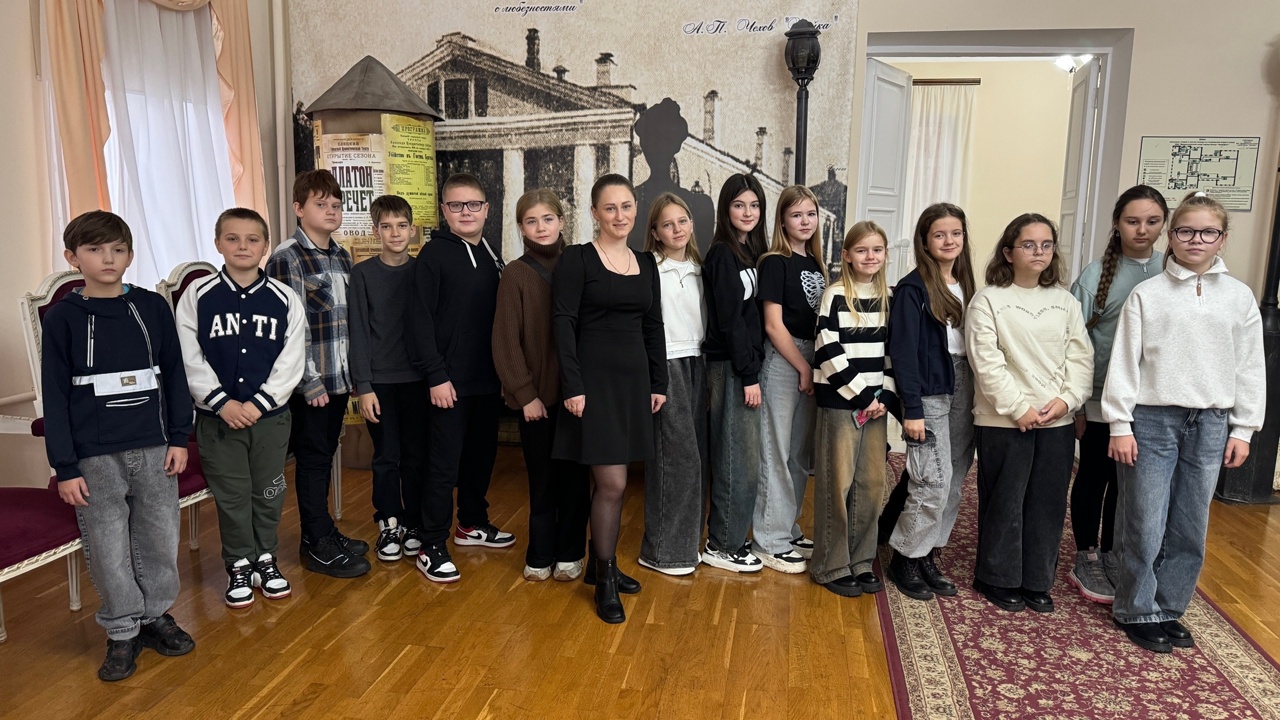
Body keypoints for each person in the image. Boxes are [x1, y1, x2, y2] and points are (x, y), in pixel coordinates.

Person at [1104, 191, 1264, 653]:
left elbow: (1250, 366)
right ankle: (1136, 607)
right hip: (1153, 420)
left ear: (1222, 239)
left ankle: (1169, 606)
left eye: (1208, 232)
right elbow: (1125, 361)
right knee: (1145, 518)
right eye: (1186, 231)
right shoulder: (1147, 295)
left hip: (1211, 422)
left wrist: (1243, 429)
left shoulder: (1238, 298)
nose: (1196, 239)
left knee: (1191, 522)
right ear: (1170, 237)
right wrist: (1119, 424)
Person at [43, 211, 196, 681]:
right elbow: (55, 394)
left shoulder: (152, 307)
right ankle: (123, 629)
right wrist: (65, 466)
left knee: (159, 535)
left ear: (130, 255)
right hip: (94, 454)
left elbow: (174, 374)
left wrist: (179, 437)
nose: (107, 259)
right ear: (73, 258)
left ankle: (155, 616)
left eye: (118, 249)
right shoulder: (64, 317)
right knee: (107, 542)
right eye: (94, 250)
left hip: (154, 446)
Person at [553, 173, 667, 623]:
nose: (620, 215)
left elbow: (653, 325)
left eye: (626, 206)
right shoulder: (577, 259)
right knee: (613, 484)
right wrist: (573, 386)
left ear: (635, 210)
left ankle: (602, 565)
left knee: (615, 482)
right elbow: (562, 323)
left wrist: (658, 382)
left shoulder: (646, 262)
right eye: (610, 208)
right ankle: (604, 577)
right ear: (595, 213)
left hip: (633, 383)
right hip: (592, 384)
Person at [177, 208, 305, 608]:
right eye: (233, 238)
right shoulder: (197, 296)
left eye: (253, 240)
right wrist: (221, 402)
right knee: (231, 495)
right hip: (218, 421)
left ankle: (266, 558)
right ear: (218, 243)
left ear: (265, 246)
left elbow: (291, 359)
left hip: (270, 420)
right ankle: (238, 563)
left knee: (268, 491)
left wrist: (260, 403)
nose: (243, 246)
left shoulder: (285, 299)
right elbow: (188, 355)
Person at [966, 213, 1093, 614]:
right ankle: (997, 577)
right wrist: (1017, 407)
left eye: (1046, 244)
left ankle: (1037, 580)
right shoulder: (988, 300)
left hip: (1056, 419)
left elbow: (1081, 358)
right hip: (1004, 420)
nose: (1039, 251)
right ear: (1008, 252)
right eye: (1028, 244)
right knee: (1006, 500)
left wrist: (1068, 401)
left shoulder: (1065, 301)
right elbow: (986, 361)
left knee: (1047, 502)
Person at [405, 172, 514, 584]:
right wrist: (436, 375)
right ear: (444, 211)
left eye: (473, 205)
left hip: (486, 380)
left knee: (480, 458)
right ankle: (431, 543)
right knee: (442, 465)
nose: (465, 212)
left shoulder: (490, 252)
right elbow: (418, 321)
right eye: (456, 205)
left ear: (486, 209)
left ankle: (470, 523)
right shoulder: (433, 255)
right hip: (447, 383)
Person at [266, 169, 371, 578]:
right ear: (299, 208)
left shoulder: (342, 255)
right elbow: (290, 330)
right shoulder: (287, 257)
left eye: (336, 205)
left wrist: (355, 376)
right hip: (311, 385)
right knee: (311, 461)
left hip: (338, 379)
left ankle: (325, 530)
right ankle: (314, 543)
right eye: (320, 204)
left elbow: (349, 323)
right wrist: (309, 382)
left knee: (325, 456)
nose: (331, 211)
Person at [1067, 185, 1168, 604]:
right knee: (1096, 474)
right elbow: (1073, 343)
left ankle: (1113, 553)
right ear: (1116, 224)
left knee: (1129, 485)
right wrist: (1078, 404)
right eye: (1132, 221)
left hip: (1153, 400)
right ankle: (1087, 555)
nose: (1142, 230)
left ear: (1164, 225)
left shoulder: (1172, 270)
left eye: (1152, 221)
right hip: (1101, 398)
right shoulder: (1094, 278)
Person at [492, 189, 590, 582]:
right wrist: (526, 395)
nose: (541, 227)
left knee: (575, 480)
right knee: (542, 479)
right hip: (537, 400)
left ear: (561, 221)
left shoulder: (579, 264)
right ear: (521, 227)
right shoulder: (516, 273)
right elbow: (505, 341)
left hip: (577, 395)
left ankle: (571, 553)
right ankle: (540, 553)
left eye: (548, 219)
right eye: (531, 221)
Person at [885, 203, 977, 602]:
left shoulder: (967, 284)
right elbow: (903, 351)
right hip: (930, 388)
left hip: (965, 384)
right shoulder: (913, 288)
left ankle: (927, 554)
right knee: (931, 479)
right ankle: (904, 556)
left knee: (954, 477)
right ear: (925, 241)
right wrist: (912, 408)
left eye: (955, 233)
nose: (949, 241)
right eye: (939, 234)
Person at [811, 221, 899, 597]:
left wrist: (885, 398)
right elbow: (827, 350)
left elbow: (893, 353)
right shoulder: (835, 295)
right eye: (862, 250)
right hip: (842, 402)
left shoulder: (888, 298)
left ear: (885, 255)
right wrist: (864, 396)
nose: (870, 257)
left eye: (877, 250)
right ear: (847, 256)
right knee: (838, 482)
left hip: (876, 406)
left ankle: (861, 560)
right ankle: (831, 564)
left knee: (871, 484)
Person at [350, 195, 429, 563]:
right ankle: (389, 522)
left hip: (418, 380)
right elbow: (358, 332)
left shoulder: (422, 271)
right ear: (375, 231)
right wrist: (363, 386)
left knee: (416, 455)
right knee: (386, 455)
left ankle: (413, 522)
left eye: (401, 226)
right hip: (379, 382)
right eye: (386, 226)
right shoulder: (363, 274)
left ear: (412, 230)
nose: (395, 233)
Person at [754, 185, 828, 574]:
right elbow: (773, 324)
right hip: (785, 360)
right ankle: (769, 540)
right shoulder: (774, 262)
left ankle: (788, 528)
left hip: (813, 357)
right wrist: (802, 367)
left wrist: (814, 366)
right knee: (776, 452)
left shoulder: (816, 263)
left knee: (800, 455)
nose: (804, 221)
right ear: (782, 220)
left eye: (810, 214)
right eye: (796, 214)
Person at [701, 174, 768, 573]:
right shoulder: (722, 254)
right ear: (726, 209)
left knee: (745, 458)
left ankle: (731, 537)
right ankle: (722, 545)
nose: (748, 212)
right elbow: (729, 322)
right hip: (730, 367)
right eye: (739, 205)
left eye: (754, 205)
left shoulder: (748, 252)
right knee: (734, 457)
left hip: (744, 365)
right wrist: (749, 374)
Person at [639, 192, 708, 576]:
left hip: (698, 363)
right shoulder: (649, 267)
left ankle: (686, 546)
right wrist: (654, 378)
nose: (677, 229)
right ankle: (661, 552)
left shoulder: (700, 269)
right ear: (655, 232)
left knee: (696, 459)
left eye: (682, 221)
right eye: (667, 224)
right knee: (674, 459)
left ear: (691, 225)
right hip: (666, 365)